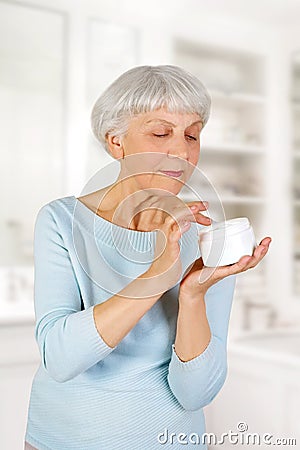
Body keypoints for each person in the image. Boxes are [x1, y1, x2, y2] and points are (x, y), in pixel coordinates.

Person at [24, 65, 271, 450]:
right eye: (161, 132)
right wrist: (157, 276)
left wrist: (192, 295)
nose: (182, 150)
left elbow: (195, 394)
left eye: (192, 135)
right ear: (115, 142)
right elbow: (60, 358)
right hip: (62, 439)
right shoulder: (60, 221)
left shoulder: (207, 237)